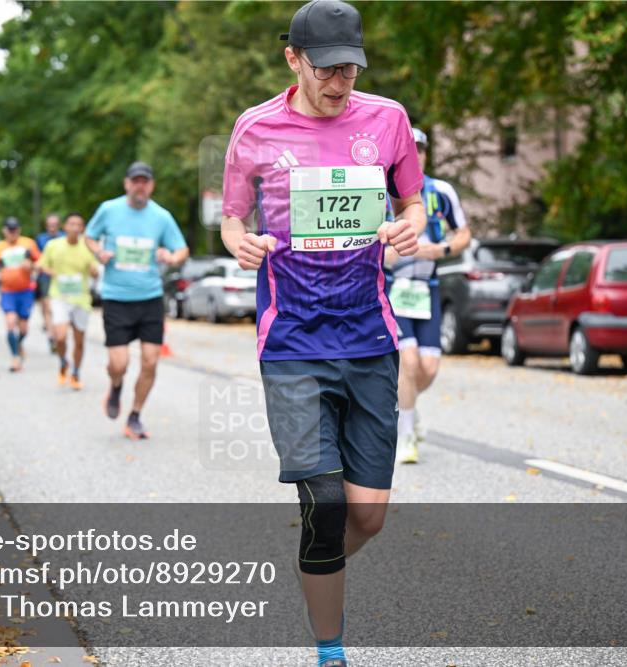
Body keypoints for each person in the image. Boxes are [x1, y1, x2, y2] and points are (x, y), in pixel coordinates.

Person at [219, 2, 425, 665]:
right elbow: (229, 216)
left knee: (367, 516)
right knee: (328, 501)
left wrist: (410, 224)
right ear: (292, 60)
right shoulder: (254, 128)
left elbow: (412, 201)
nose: (339, 82)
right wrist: (240, 243)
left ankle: (319, 560)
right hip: (293, 344)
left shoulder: (389, 120)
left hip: (370, 339)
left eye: (349, 68)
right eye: (326, 68)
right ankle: (329, 647)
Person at [85, 161, 189, 439]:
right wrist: (99, 252)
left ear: (151, 185)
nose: (140, 185)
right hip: (116, 298)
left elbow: (182, 249)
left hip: (150, 298)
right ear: (127, 184)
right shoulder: (109, 210)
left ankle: (135, 416)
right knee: (118, 364)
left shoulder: (162, 217)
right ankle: (116, 385)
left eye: (145, 181)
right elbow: (90, 237)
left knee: (150, 362)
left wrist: (171, 256)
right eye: (136, 181)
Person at [386, 128, 472, 464]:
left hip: (428, 290)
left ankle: (407, 406)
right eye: (409, 149)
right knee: (407, 362)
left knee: (428, 368)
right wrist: (396, 254)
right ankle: (405, 435)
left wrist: (441, 249)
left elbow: (463, 233)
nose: (416, 155)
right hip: (395, 289)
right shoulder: (383, 191)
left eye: (420, 150)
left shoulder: (441, 191)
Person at [37, 212, 98, 390]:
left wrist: (95, 272)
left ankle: (76, 372)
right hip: (60, 296)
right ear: (65, 227)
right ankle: (63, 361)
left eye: (78, 225)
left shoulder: (87, 247)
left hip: (81, 298)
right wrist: (51, 272)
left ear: (82, 229)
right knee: (61, 336)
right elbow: (41, 265)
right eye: (71, 224)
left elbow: (94, 269)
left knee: (79, 340)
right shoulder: (53, 245)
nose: (74, 228)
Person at [0, 217, 41, 372]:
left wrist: (31, 265)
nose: (12, 233)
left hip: (25, 290)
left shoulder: (28, 244)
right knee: (11, 322)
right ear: (4, 231)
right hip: (8, 291)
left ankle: (18, 344)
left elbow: (40, 262)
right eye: (9, 230)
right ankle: (15, 357)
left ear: (19, 230)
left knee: (24, 329)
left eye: (15, 230)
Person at [35, 213, 65, 348]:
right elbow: (37, 258)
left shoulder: (64, 237)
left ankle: (59, 331)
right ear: (46, 226)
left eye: (55, 225)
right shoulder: (40, 239)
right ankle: (51, 336)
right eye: (50, 225)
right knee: (47, 306)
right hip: (45, 277)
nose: (52, 228)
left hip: (62, 277)